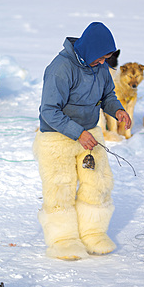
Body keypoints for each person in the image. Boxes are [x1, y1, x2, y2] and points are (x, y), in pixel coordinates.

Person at [33, 22, 131, 261]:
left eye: (106, 58)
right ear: (89, 50)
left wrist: (117, 110)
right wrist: (76, 132)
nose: (103, 62)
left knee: (99, 183)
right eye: (101, 57)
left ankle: (93, 233)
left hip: (88, 133)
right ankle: (63, 240)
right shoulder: (60, 68)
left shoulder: (100, 67)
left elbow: (108, 95)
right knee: (60, 188)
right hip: (57, 136)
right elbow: (49, 111)